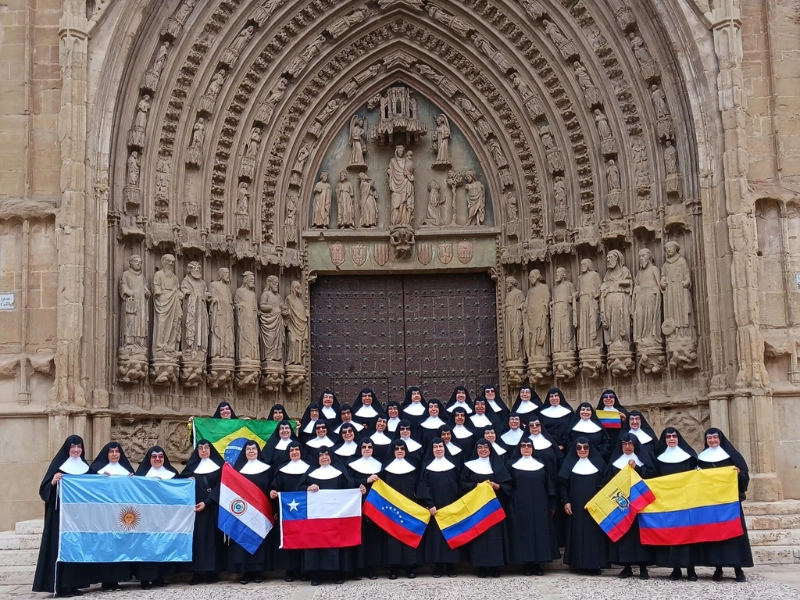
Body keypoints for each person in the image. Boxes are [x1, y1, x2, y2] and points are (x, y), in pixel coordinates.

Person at [32, 435, 93, 597]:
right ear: (67, 448)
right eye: (73, 447)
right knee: (60, 548)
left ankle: (74, 584)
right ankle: (60, 586)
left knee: (76, 548)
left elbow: (94, 487)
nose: (76, 450)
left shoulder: (85, 467)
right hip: (60, 518)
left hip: (79, 519)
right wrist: (53, 481)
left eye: (79, 447)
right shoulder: (59, 466)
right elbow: (44, 489)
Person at [695, 428, 753, 582]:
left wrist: (738, 474)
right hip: (711, 504)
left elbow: (745, 475)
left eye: (715, 437)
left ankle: (738, 570)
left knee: (735, 535)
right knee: (715, 536)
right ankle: (718, 569)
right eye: (709, 438)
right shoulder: (701, 458)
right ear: (706, 440)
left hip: (729, 503)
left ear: (720, 439)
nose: (712, 440)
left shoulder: (732, 455)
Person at [300, 449, 357, 585]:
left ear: (331, 457)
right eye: (321, 455)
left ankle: (337, 573)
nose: (324, 457)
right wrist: (308, 487)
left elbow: (350, 488)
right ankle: (316, 574)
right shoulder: (310, 473)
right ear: (317, 458)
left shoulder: (339, 473)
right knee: (315, 543)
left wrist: (359, 490)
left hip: (335, 516)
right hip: (316, 517)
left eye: (327, 455)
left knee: (335, 543)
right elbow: (299, 488)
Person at [603, 433, 656, 579]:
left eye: (630, 444)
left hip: (640, 504)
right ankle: (626, 567)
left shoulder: (642, 461)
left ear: (635, 445)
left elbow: (652, 476)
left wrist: (637, 468)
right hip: (621, 505)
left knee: (640, 535)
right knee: (624, 535)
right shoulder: (615, 462)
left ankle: (643, 567)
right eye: (624, 444)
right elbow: (606, 482)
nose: (627, 447)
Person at [508, 437, 560, 575]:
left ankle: (538, 565)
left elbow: (549, 485)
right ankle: (526, 565)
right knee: (523, 534)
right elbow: (508, 486)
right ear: (519, 448)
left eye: (529, 446)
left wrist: (553, 504)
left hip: (540, 505)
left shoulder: (541, 464)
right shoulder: (511, 464)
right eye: (523, 446)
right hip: (520, 506)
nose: (526, 448)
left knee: (540, 533)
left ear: (533, 448)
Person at [460, 439, 511, 577]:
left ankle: (495, 567)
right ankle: (481, 567)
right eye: (480, 447)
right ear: (476, 449)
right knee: (479, 536)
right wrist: (475, 486)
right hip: (477, 507)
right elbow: (463, 483)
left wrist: (497, 486)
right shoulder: (470, 466)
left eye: (485, 447)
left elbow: (508, 485)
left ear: (490, 449)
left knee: (495, 536)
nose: (483, 449)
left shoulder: (499, 466)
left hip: (494, 507)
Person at [558, 438, 609, 575]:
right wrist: (566, 501)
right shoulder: (569, 465)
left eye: (585, 447)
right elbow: (563, 484)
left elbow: (605, 483)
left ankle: (595, 565)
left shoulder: (599, 464)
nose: (582, 450)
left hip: (594, 506)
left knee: (594, 535)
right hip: (575, 505)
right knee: (577, 534)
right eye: (579, 448)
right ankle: (578, 564)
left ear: (590, 448)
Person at [654, 427, 698, 580]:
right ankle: (676, 569)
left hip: (686, 502)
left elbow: (697, 476)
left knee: (688, 536)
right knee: (672, 536)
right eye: (668, 436)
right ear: (665, 440)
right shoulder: (659, 459)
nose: (671, 439)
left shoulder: (689, 457)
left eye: (674, 436)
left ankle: (691, 569)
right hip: (668, 502)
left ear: (679, 438)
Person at [88, 442, 134, 590]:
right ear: (106, 454)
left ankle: (116, 580)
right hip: (103, 516)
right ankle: (104, 580)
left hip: (121, 516)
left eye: (117, 452)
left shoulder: (127, 471)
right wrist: (99, 479)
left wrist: (133, 481)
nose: (114, 454)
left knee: (120, 545)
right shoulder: (96, 470)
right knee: (104, 546)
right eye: (111, 452)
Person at [133, 446, 180, 589]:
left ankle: (159, 576)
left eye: (161, 456)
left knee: (161, 545)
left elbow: (179, 493)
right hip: (146, 518)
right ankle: (144, 579)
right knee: (145, 547)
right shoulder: (140, 475)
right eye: (154, 456)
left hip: (164, 518)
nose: (158, 459)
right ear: (149, 458)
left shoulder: (172, 474)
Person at [180, 440, 225, 585]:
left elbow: (221, 486)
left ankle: (213, 572)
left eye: (206, 448)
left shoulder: (219, 467)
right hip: (196, 512)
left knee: (213, 541)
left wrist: (207, 502)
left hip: (212, 509)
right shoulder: (192, 468)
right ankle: (197, 573)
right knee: (197, 541)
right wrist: (187, 481)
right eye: (200, 448)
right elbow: (178, 484)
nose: (204, 450)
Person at [417, 438, 461, 577]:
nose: (438, 449)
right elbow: (424, 488)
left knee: (451, 535)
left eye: (440, 446)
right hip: (435, 509)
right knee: (436, 538)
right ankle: (438, 567)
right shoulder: (427, 467)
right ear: (432, 449)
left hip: (452, 506)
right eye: (435, 447)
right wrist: (429, 504)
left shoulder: (453, 466)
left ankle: (451, 566)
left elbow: (460, 485)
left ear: (444, 448)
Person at [229, 440, 271, 583]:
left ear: (258, 451)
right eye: (248, 449)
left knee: (259, 541)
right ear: (244, 452)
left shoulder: (267, 468)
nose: (251, 451)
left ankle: (258, 572)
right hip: (244, 512)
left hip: (261, 511)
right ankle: (245, 572)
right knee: (243, 541)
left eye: (253, 449)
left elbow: (271, 487)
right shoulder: (237, 471)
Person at [269, 441, 309, 582]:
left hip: (305, 511)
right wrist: (273, 493)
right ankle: (290, 571)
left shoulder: (309, 468)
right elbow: (275, 487)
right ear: (288, 453)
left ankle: (304, 570)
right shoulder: (281, 470)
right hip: (287, 513)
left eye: (297, 450)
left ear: (301, 451)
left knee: (305, 539)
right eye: (291, 450)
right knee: (289, 538)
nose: (294, 452)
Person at [382, 440, 421, 579]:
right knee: (393, 538)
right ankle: (394, 568)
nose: (399, 450)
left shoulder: (412, 467)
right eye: (397, 448)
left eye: (402, 448)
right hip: (392, 508)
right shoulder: (386, 467)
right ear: (392, 450)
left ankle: (410, 567)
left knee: (409, 535)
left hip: (409, 506)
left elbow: (418, 486)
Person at [347, 439, 385, 579]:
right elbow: (349, 482)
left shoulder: (379, 465)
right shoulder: (352, 464)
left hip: (375, 506)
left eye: (370, 447)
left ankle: (371, 569)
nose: (367, 449)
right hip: (357, 506)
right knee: (358, 537)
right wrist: (364, 481)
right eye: (364, 447)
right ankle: (357, 569)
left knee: (372, 539)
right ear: (360, 449)